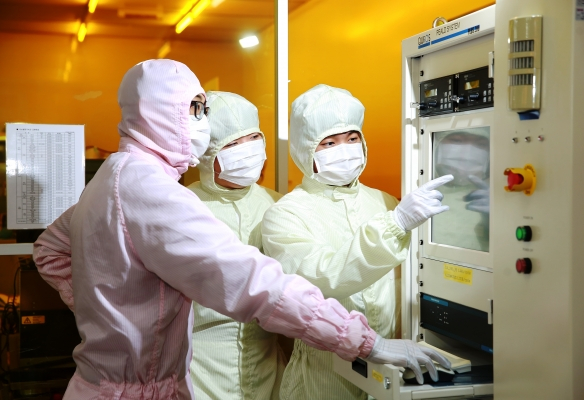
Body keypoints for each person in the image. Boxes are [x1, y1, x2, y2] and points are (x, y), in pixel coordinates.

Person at [32, 62, 449, 399]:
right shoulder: (155, 191)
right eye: (194, 109)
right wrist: (368, 343)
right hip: (161, 383)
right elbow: (253, 282)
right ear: (158, 113)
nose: (201, 121)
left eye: (203, 109)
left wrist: (111, 314)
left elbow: (49, 250)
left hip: (154, 379)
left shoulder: (115, 176)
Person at [261, 84, 454, 400]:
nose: (344, 149)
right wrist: (394, 225)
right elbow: (323, 278)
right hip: (323, 375)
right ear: (304, 150)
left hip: (393, 362)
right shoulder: (284, 214)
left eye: (352, 139)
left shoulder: (385, 202)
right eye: (329, 142)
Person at [186, 91, 284, 399]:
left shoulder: (278, 205)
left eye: (253, 138)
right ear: (206, 152)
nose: (247, 150)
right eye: (232, 144)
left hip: (268, 362)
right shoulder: (183, 206)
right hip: (200, 367)